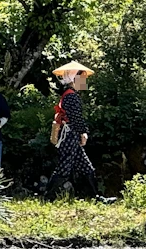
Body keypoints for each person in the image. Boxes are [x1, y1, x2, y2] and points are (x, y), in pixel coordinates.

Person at [46, 61, 112, 202]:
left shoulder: (69, 94)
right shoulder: (71, 96)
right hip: (69, 135)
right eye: (82, 78)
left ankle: (95, 197)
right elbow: (76, 118)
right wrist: (83, 132)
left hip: (71, 134)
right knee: (64, 168)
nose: (84, 81)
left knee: (86, 167)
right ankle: (48, 197)